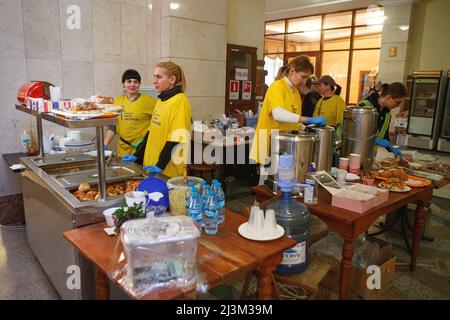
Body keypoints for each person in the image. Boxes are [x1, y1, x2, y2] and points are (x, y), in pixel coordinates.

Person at [249, 56, 326, 183]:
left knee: (282, 183)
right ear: (292, 71)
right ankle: (258, 203)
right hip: (268, 142)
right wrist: (307, 119)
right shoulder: (277, 87)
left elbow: (293, 121)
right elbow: (278, 114)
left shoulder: (295, 93)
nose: (305, 81)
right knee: (267, 184)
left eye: (307, 78)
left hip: (284, 144)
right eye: (303, 76)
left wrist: (309, 127)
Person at [141, 61, 191, 177]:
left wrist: (160, 165)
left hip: (168, 170)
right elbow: (150, 132)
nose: (154, 81)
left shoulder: (180, 101)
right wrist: (137, 155)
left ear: (172, 79)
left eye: (159, 77)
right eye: (154, 76)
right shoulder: (160, 101)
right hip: (151, 164)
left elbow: (176, 138)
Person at [104, 69, 156, 163]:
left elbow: (157, 124)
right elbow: (112, 126)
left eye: (136, 82)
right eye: (129, 81)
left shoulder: (150, 101)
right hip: (122, 149)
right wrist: (105, 144)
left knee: (140, 175)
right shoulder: (117, 101)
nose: (132, 85)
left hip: (141, 149)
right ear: (123, 84)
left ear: (139, 84)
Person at [359, 82, 407, 157]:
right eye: (398, 102)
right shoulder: (364, 106)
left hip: (369, 154)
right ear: (388, 97)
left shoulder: (387, 114)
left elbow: (384, 137)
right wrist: (376, 140)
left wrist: (391, 148)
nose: (398, 105)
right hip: (356, 152)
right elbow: (356, 134)